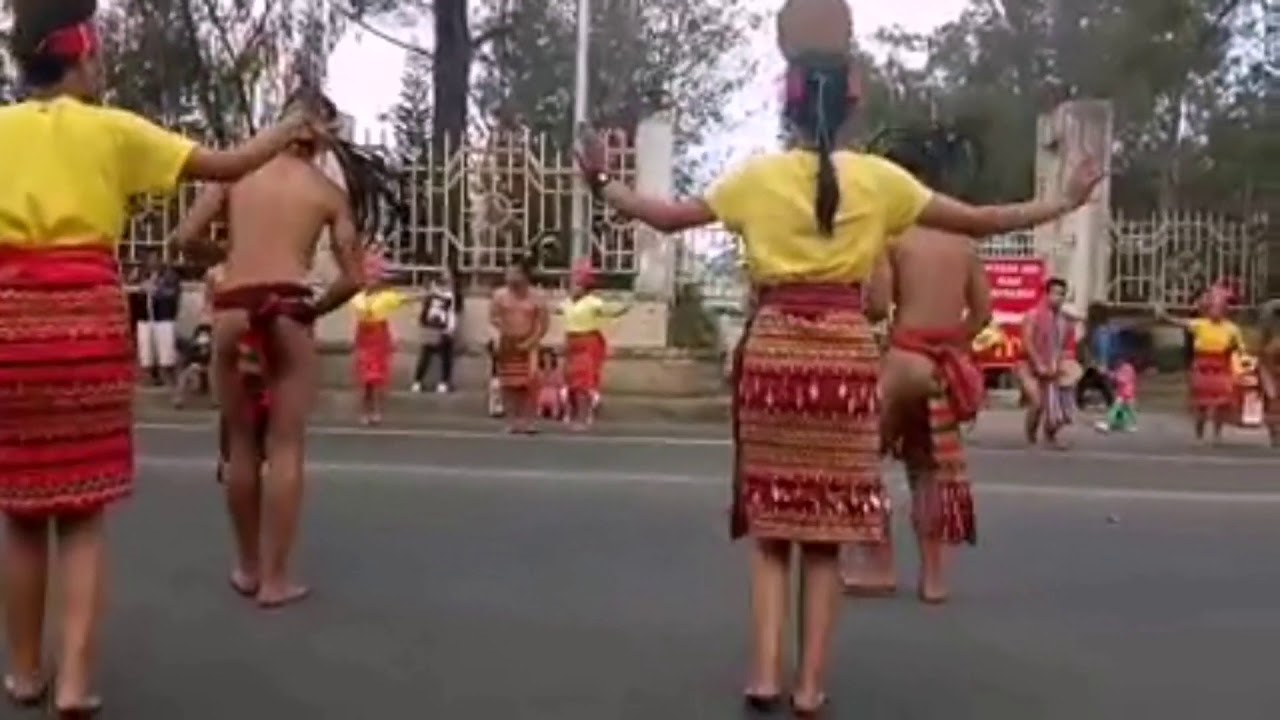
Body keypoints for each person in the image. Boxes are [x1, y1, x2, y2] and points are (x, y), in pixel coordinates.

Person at [574, 0, 1101, 709]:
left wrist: (600, 181)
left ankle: (763, 675)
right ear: (852, 106)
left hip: (774, 356)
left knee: (771, 531)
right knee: (824, 537)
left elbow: (666, 217)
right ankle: (810, 688)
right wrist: (1066, 200)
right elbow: (983, 220)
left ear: (786, 103)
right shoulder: (883, 183)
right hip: (847, 362)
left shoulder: (755, 179)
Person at [0, 0, 327, 713]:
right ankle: (77, 684)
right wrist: (288, 126)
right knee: (81, 515)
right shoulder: (113, 131)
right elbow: (229, 162)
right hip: (85, 320)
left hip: (11, 324)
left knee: (22, 513)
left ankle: (25, 674)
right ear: (81, 56)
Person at [169, 88, 368, 610]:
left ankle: (247, 567)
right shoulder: (327, 191)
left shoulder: (237, 172)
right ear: (322, 136)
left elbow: (183, 237)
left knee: (239, 445)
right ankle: (277, 579)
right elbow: (353, 278)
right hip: (287, 310)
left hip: (234, 307)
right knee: (285, 447)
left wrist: (229, 253)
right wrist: (313, 310)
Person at [840, 124, 990, 604]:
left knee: (863, 460)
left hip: (903, 359)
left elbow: (880, 306)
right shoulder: (965, 245)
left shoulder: (895, 237)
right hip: (942, 365)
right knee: (927, 471)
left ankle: (879, 566)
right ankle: (933, 578)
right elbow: (983, 314)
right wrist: (953, 343)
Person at [1155, 286, 1243, 444]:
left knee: (1221, 403)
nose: (1215, 311)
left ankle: (1217, 434)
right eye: (1212, 307)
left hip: (1221, 366)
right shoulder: (1199, 324)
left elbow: (1239, 349)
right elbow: (1177, 322)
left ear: (1225, 310)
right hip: (1202, 366)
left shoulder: (1232, 329)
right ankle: (1199, 434)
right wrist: (1163, 314)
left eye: (1219, 307)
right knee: (1201, 403)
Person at [560, 260, 630, 429]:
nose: (572, 287)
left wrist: (623, 307)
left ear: (584, 287)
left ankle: (583, 418)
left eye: (576, 284)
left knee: (583, 382)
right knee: (571, 382)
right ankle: (575, 414)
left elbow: (609, 311)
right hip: (571, 342)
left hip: (588, 342)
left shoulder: (593, 302)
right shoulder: (567, 303)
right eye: (571, 284)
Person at [351, 254, 415, 425]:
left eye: (375, 278)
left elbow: (406, 299)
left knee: (378, 379)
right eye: (369, 277)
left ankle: (377, 411)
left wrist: (429, 294)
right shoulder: (358, 297)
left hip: (379, 338)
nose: (371, 281)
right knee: (365, 380)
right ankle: (365, 411)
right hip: (365, 337)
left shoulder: (386, 297)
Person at [1017, 277, 1081, 448]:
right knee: (1037, 403)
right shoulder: (1033, 315)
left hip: (1053, 366)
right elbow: (1027, 341)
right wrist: (1038, 364)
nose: (1058, 297)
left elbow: (1067, 346)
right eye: (1055, 293)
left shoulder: (1065, 320)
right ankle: (1030, 438)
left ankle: (1049, 436)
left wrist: (1066, 365)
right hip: (1027, 365)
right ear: (1046, 294)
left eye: (1062, 294)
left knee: (1061, 404)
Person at [489, 259, 549, 433]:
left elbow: (543, 324)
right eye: (508, 273)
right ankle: (511, 421)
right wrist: (500, 337)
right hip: (507, 342)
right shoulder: (499, 295)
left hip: (529, 342)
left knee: (531, 382)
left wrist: (531, 341)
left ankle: (528, 421)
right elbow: (493, 319)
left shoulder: (537, 297)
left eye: (515, 273)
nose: (510, 277)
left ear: (524, 276)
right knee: (508, 383)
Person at [136, 249, 182, 387]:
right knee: (147, 349)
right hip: (146, 316)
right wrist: (142, 289)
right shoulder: (142, 274)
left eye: (154, 258)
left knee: (167, 352)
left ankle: (171, 379)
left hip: (163, 317)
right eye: (149, 258)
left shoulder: (170, 275)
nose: (151, 261)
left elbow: (173, 293)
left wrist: (157, 290)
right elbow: (136, 292)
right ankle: (152, 376)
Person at [411, 268, 462, 393]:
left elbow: (453, 312)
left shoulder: (438, 292)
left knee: (434, 354)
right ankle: (433, 382)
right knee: (437, 354)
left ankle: (425, 382)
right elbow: (450, 312)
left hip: (437, 325)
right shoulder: (445, 293)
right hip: (438, 326)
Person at [1095, 354, 1138, 433]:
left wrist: (1107, 373)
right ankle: (1110, 423)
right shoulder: (1121, 368)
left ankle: (1131, 425)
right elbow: (1115, 377)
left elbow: (1121, 379)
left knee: (1129, 409)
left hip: (1127, 392)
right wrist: (1106, 373)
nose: (1116, 362)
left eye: (1118, 361)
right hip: (1123, 392)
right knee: (1118, 408)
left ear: (1122, 360)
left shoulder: (1127, 368)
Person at [1259, 299, 1280, 448]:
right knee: (1272, 401)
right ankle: (1274, 434)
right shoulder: (1270, 339)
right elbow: (1265, 354)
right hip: (1269, 367)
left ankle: (1275, 433)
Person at [535, 347, 566, 421]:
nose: (547, 359)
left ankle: (555, 414)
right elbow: (537, 382)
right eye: (545, 357)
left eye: (549, 357)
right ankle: (539, 413)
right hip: (542, 391)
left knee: (553, 393)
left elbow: (560, 383)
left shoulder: (557, 370)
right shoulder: (539, 370)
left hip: (553, 391)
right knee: (541, 393)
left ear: (553, 358)